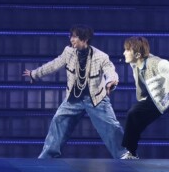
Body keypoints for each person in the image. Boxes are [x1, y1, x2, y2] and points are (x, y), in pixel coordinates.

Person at [23, 25, 127, 159]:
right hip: (74, 98)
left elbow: (110, 70)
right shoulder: (68, 52)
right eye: (70, 36)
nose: (71, 39)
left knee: (112, 126)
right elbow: (54, 65)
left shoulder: (101, 56)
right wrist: (35, 74)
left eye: (74, 37)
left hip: (96, 98)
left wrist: (111, 81)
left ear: (85, 39)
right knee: (58, 120)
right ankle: (47, 158)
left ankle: (125, 155)